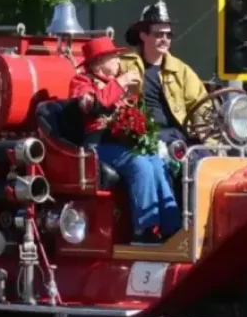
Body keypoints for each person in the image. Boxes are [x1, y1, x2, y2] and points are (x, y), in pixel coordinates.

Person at [69, 36, 181, 243]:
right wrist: (120, 84)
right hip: (97, 145)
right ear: (99, 63)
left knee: (156, 162)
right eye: (113, 57)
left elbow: (132, 112)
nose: (119, 61)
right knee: (139, 164)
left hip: (122, 143)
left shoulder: (115, 83)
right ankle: (145, 228)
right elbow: (93, 106)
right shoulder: (82, 82)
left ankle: (172, 226)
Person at [119, 0, 216, 162]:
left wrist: (212, 145)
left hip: (177, 138)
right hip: (142, 138)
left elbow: (201, 105)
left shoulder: (181, 70)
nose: (165, 39)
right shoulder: (123, 65)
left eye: (168, 35)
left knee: (205, 163)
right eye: (158, 34)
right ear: (143, 35)